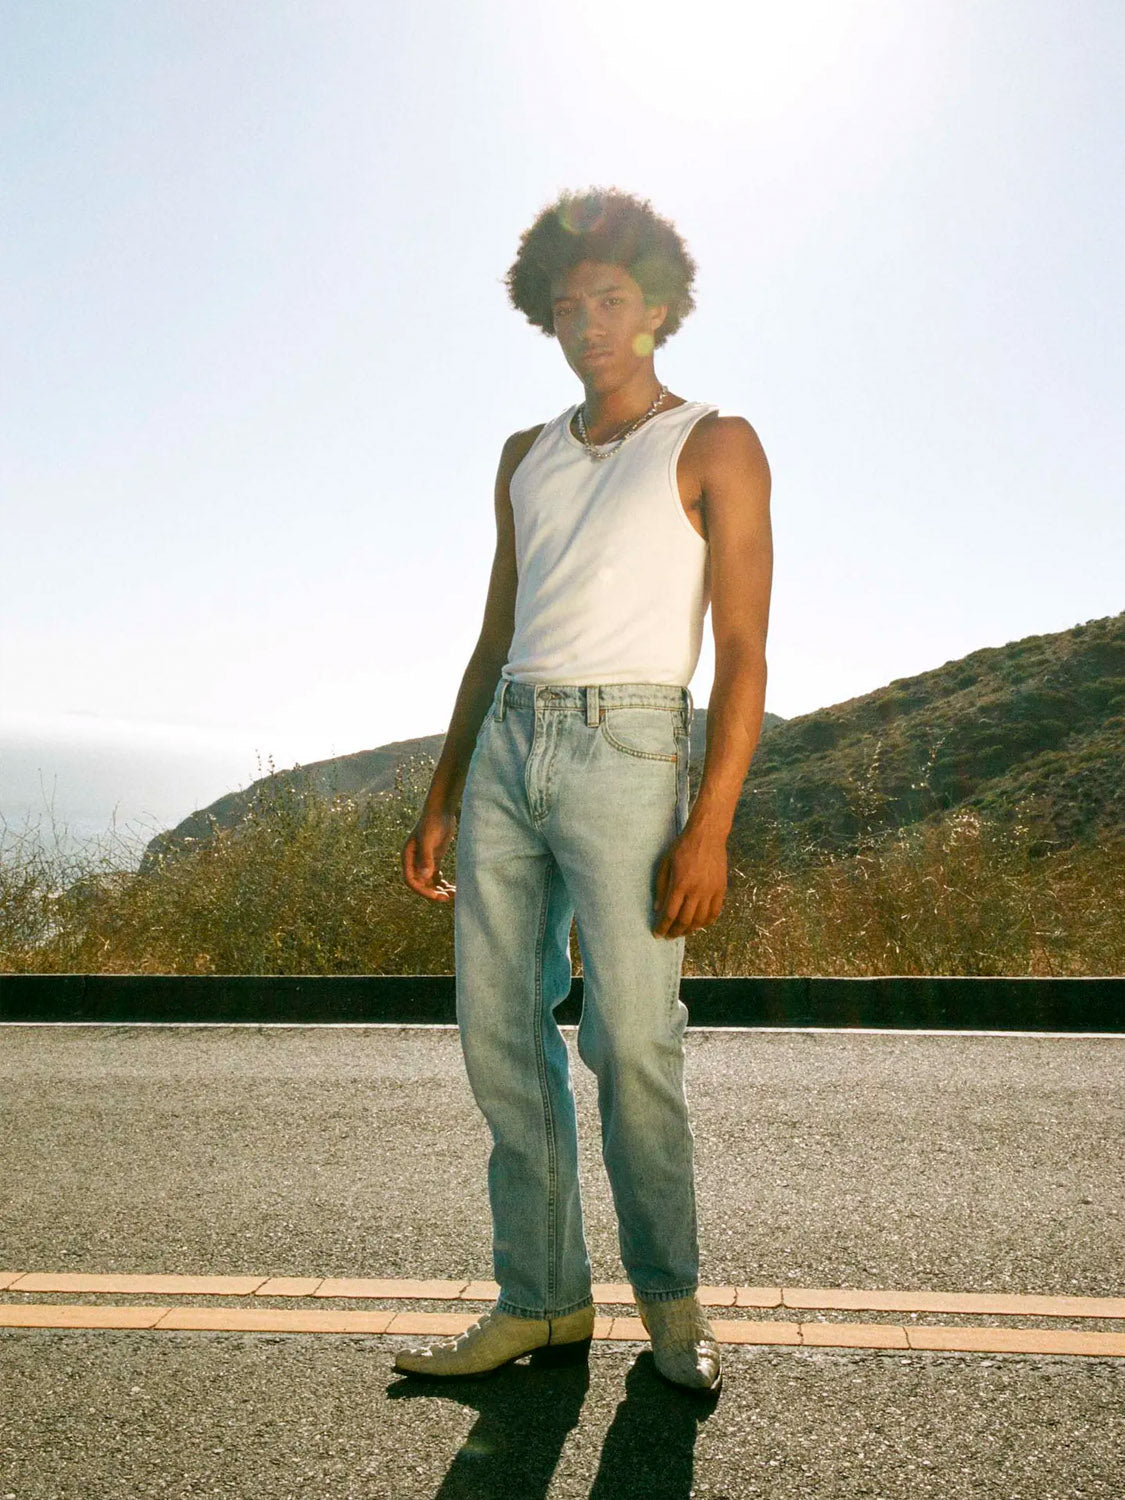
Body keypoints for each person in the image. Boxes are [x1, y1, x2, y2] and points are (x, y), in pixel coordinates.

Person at [397, 188, 773, 1393]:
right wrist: (444, 789)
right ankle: (543, 1303)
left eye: (610, 300)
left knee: (635, 1044)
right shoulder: (525, 456)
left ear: (658, 306)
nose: (588, 325)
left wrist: (710, 826)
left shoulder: (715, 442)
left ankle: (673, 1308)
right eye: (567, 306)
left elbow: (744, 651)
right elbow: (495, 635)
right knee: (503, 1037)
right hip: (509, 748)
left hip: (631, 748)